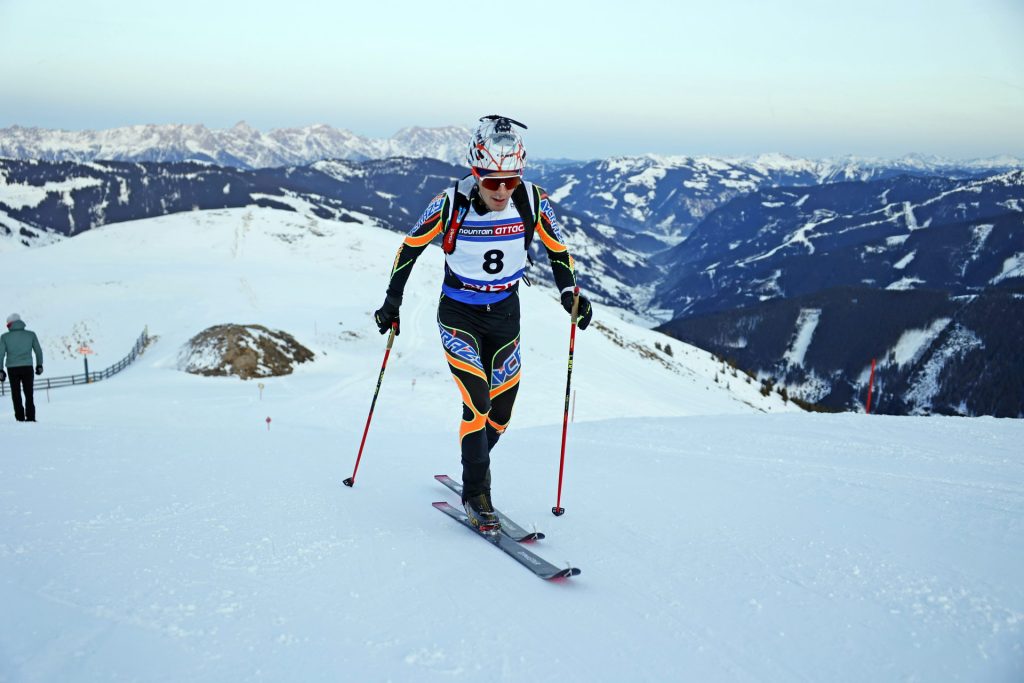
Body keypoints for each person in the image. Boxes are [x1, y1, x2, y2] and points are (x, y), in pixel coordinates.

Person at [373, 115, 594, 530]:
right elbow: (409, 248)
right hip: (459, 315)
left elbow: (558, 251)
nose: (502, 190)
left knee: (500, 416)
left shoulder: (532, 200)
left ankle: (471, 461)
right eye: (493, 181)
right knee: (477, 403)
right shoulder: (449, 204)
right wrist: (392, 301)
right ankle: (476, 492)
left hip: (506, 314)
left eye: (511, 180)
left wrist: (570, 292)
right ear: (475, 173)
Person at [0, 313, 44, 422]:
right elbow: (38, 351)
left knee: (16, 394)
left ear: (10, 324)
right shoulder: (31, 334)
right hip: (27, 367)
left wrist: (0, 370)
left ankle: (19, 418)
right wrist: (39, 365)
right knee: (29, 393)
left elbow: (1, 354)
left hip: (12, 368)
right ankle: (31, 417)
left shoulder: (5, 337)